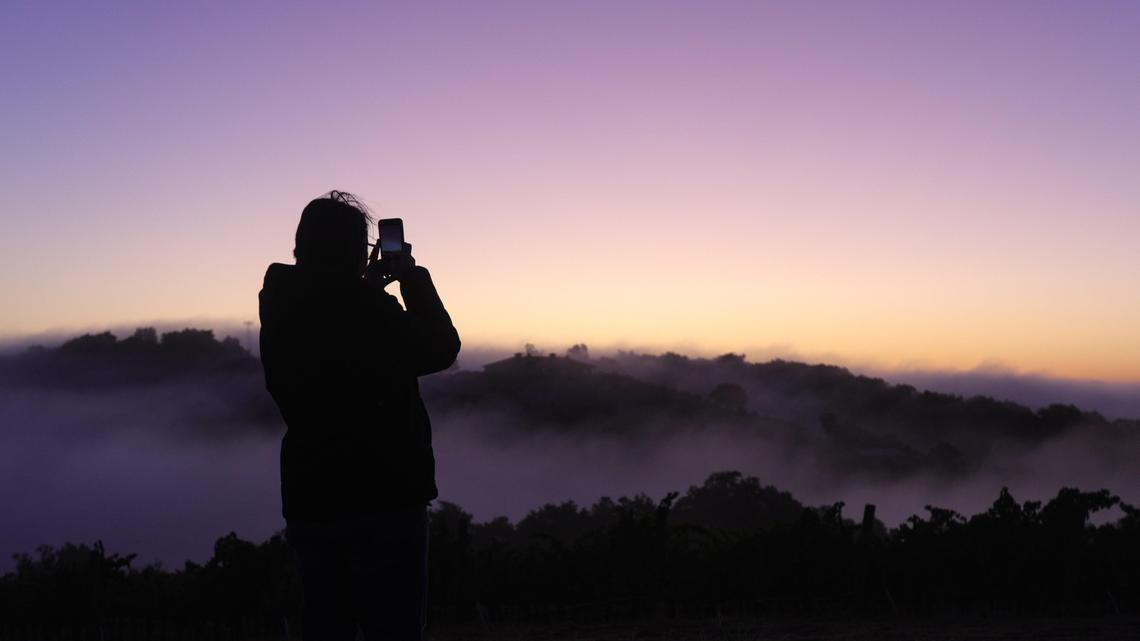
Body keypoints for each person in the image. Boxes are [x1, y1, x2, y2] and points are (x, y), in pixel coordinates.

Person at [258, 191, 460, 641]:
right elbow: (441, 348)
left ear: (300, 248)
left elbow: (335, 323)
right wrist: (413, 278)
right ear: (356, 251)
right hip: (385, 497)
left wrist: (365, 288)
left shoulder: (281, 304)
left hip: (312, 496)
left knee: (325, 626)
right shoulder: (370, 310)